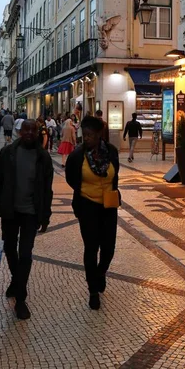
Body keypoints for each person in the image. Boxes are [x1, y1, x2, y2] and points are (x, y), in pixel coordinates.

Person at [0, 120, 53, 320]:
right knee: (9, 249)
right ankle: (17, 282)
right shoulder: (7, 153)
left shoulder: (43, 157)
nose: (30, 133)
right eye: (26, 129)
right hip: (10, 210)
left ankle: (21, 298)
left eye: (33, 130)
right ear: (19, 131)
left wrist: (46, 215)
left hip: (31, 213)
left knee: (25, 254)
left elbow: (47, 189)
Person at [65, 116, 120, 311]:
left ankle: (101, 272)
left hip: (109, 205)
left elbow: (115, 175)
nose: (86, 138)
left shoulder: (111, 152)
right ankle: (93, 291)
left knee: (109, 248)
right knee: (91, 248)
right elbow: (71, 178)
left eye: (90, 135)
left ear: (99, 135)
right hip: (87, 206)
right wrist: (85, 191)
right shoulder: (77, 156)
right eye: (84, 135)